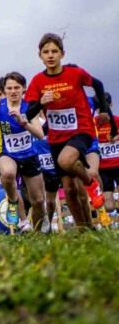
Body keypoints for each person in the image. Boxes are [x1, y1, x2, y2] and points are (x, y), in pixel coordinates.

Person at [23, 33, 116, 230]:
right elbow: (29, 111)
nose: (50, 55)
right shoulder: (38, 81)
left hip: (81, 130)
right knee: (69, 188)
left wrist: (105, 111)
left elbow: (97, 84)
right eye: (46, 52)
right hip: (57, 138)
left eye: (54, 51)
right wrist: (41, 102)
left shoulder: (75, 74)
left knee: (66, 160)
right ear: (39, 55)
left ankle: (91, 183)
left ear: (62, 54)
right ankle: (84, 229)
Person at [0, 71, 48, 232]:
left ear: (23, 88)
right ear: (4, 89)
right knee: (7, 173)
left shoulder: (29, 106)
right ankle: (13, 202)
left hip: (28, 154)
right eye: (9, 88)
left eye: (16, 88)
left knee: (39, 200)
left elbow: (40, 134)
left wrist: (23, 122)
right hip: (6, 153)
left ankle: (38, 233)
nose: (13, 91)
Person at [95, 93, 119, 218]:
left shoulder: (117, 121)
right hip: (104, 168)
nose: (102, 112)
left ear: (111, 105)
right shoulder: (94, 123)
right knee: (109, 206)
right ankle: (112, 207)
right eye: (99, 109)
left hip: (118, 164)